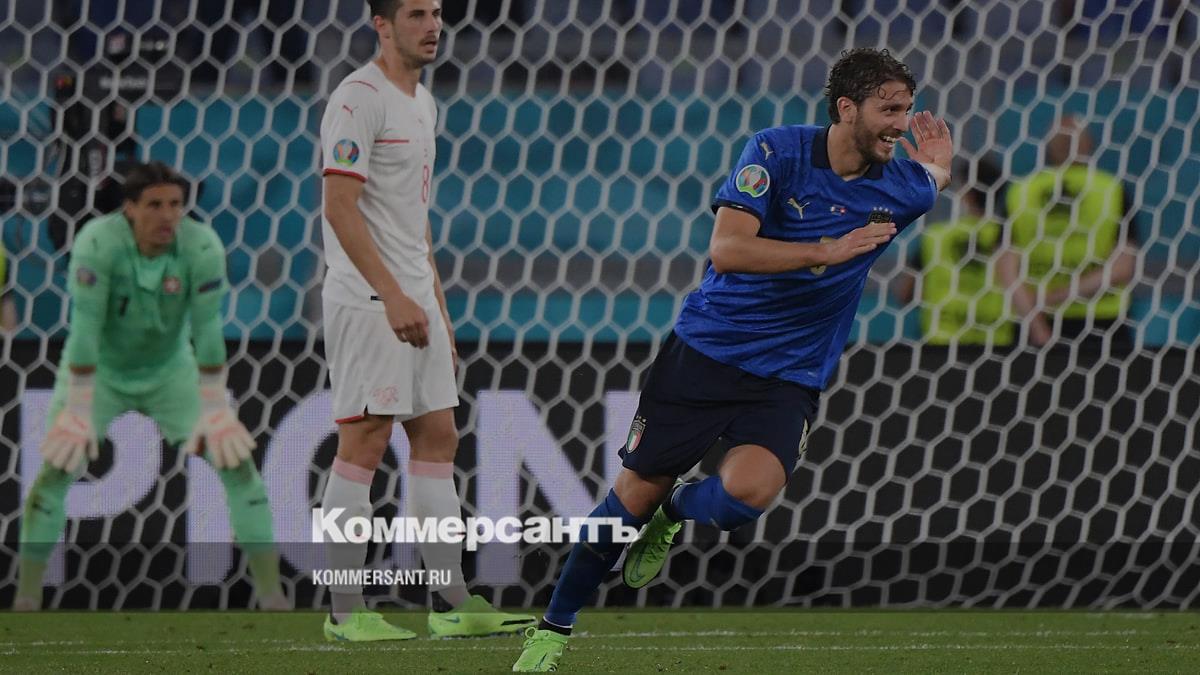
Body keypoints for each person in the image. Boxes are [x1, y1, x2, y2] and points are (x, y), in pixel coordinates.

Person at [513, 48, 952, 671]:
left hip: (789, 376)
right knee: (629, 499)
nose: (900, 125)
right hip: (707, 354)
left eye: (907, 110)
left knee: (745, 498)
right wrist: (825, 250)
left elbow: (932, 178)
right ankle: (553, 630)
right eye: (889, 110)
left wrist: (938, 166)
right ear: (846, 108)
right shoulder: (776, 152)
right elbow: (727, 250)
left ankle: (674, 510)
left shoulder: (902, 187)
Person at [317, 0, 533, 641]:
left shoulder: (423, 102)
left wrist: (435, 305)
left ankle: (451, 601)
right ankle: (344, 611)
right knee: (364, 443)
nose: (433, 25)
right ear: (381, 25)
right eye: (416, 13)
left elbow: (413, 220)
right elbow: (340, 207)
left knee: (438, 437)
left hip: (413, 300)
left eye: (437, 12)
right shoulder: (358, 99)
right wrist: (393, 296)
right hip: (368, 301)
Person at [14, 161, 287, 611]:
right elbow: (84, 329)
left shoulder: (202, 246)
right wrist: (78, 407)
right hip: (99, 374)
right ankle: (26, 598)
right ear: (129, 208)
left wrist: (215, 406)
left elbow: (208, 330)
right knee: (55, 470)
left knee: (237, 465)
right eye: (155, 205)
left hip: (170, 372)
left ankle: (272, 594)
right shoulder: (97, 242)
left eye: (175, 204)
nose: (168, 215)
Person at [998, 115, 1139, 348]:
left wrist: (1037, 322)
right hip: (1101, 322)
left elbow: (1006, 270)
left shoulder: (1021, 191)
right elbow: (1122, 267)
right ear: (1089, 144)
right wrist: (1059, 297)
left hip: (1039, 319)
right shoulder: (1110, 189)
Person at [894, 157, 1013, 346]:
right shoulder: (1008, 238)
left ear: (967, 192)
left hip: (941, 343)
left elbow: (905, 294)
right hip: (995, 344)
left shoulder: (936, 237)